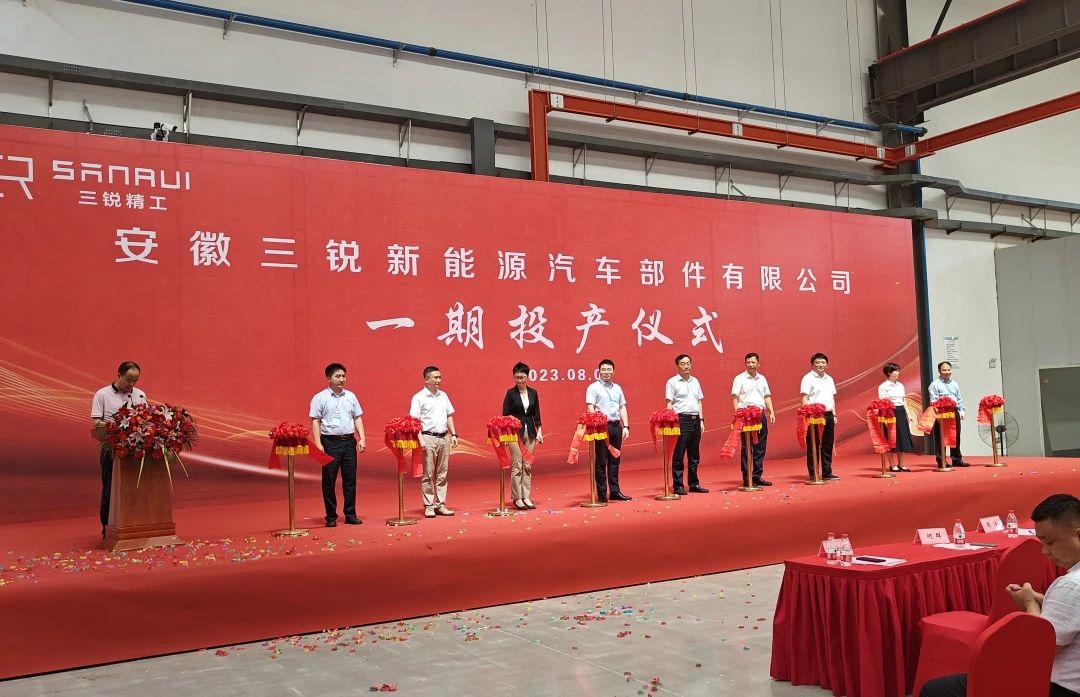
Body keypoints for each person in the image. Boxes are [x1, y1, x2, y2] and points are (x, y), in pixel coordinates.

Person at [919, 493, 1080, 697]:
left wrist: (1029, 604)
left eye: (1050, 543)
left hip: (1056, 687)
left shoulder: (1071, 586)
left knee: (936, 690)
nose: (1045, 552)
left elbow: (1038, 651)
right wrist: (1043, 600)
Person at [90, 361, 149, 537]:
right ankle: (107, 530)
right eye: (128, 379)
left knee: (135, 489)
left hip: (135, 450)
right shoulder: (102, 394)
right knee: (110, 489)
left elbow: (147, 420)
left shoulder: (140, 395)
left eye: (135, 380)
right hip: (111, 449)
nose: (132, 384)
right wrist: (118, 425)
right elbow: (96, 422)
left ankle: (134, 526)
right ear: (119, 375)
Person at [310, 363, 366, 527]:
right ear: (328, 379)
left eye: (344, 376)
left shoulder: (351, 396)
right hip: (330, 443)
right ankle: (331, 516)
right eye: (338, 376)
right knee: (329, 481)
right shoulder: (320, 398)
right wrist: (318, 443)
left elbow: (357, 418)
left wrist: (362, 438)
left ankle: (350, 514)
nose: (342, 379)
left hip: (348, 442)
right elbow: (315, 421)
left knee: (350, 480)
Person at [410, 365, 459, 518]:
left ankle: (441, 504)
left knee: (442, 473)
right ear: (426, 379)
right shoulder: (418, 397)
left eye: (440, 377)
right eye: (435, 377)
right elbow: (414, 421)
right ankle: (429, 505)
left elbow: (449, 415)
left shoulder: (443, 395)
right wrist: (420, 439)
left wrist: (454, 434)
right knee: (428, 473)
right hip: (428, 437)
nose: (439, 380)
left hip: (444, 437)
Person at [585, 358, 631, 502]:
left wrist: (626, 426)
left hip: (616, 426)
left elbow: (622, 407)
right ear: (599, 371)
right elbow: (590, 407)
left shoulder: (617, 388)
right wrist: (596, 423)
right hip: (601, 428)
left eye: (609, 369)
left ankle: (615, 491)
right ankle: (602, 493)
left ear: (613, 371)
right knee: (601, 460)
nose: (606, 372)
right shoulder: (593, 387)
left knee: (615, 459)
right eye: (603, 370)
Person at [502, 362, 544, 510]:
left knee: (527, 464)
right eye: (517, 377)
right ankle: (517, 497)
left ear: (527, 376)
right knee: (517, 464)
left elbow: (536, 414)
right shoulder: (510, 393)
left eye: (522, 377)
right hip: (514, 433)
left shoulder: (533, 393)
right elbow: (505, 415)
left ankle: (526, 496)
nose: (519, 380)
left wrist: (539, 431)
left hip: (530, 432)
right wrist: (506, 436)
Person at [665, 354, 707, 495]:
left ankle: (694, 484)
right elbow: (669, 403)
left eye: (688, 363)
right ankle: (678, 485)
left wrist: (701, 419)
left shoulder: (695, 381)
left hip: (695, 419)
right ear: (677, 366)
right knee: (679, 453)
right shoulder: (672, 382)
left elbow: (699, 401)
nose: (686, 366)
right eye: (683, 363)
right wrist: (671, 422)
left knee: (694, 455)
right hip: (681, 419)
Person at [731, 352, 776, 486]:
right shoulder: (739, 378)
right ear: (745, 363)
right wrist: (738, 413)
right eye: (748, 362)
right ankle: (747, 477)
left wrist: (771, 412)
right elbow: (734, 397)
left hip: (760, 415)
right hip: (746, 416)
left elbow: (767, 396)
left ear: (758, 363)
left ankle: (757, 476)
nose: (751, 364)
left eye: (753, 362)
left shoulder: (762, 379)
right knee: (747, 447)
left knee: (760, 447)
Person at [800, 352, 839, 480]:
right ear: (812, 365)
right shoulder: (808, 378)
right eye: (817, 363)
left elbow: (831, 398)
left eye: (823, 362)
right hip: (814, 415)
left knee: (828, 443)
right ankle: (814, 473)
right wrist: (807, 415)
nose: (820, 365)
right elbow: (804, 398)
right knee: (813, 443)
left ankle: (827, 472)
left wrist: (834, 414)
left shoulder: (829, 379)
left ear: (827, 365)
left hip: (828, 414)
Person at [928, 361, 969, 467]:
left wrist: (961, 411)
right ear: (939, 371)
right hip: (942, 412)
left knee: (956, 435)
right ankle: (941, 460)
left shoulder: (954, 383)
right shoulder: (934, 385)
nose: (947, 372)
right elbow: (933, 400)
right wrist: (937, 414)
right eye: (944, 370)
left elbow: (959, 398)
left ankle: (956, 459)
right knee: (941, 436)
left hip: (954, 411)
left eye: (948, 370)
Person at [878, 362, 917, 472]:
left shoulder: (900, 385)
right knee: (890, 439)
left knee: (902, 438)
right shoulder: (883, 386)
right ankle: (892, 464)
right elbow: (883, 403)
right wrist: (886, 418)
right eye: (895, 371)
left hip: (901, 411)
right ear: (889, 373)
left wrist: (908, 413)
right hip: (890, 412)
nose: (897, 373)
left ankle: (901, 464)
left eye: (898, 371)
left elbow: (904, 400)